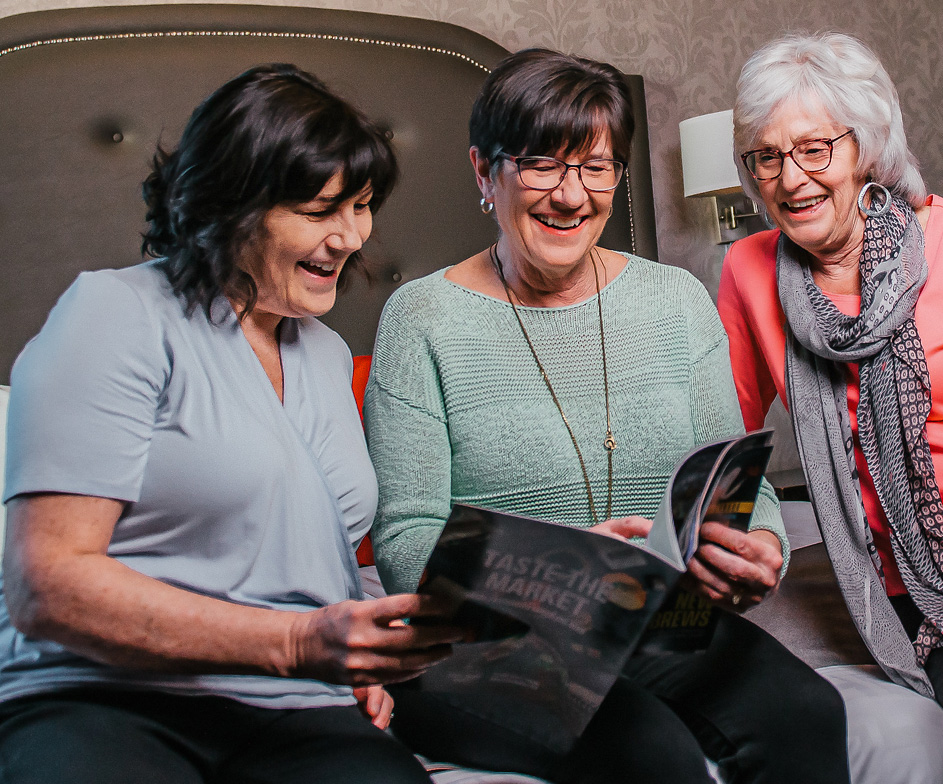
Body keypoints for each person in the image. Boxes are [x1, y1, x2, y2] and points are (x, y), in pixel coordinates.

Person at [365, 48, 850, 784]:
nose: (571, 195)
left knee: (810, 713)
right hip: (486, 643)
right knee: (651, 755)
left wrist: (756, 553)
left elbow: (739, 493)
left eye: (596, 167)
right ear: (482, 172)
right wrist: (560, 570)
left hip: (652, 616)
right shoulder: (422, 318)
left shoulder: (675, 300)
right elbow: (405, 543)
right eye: (541, 164)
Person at [0, 63, 460, 784]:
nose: (349, 238)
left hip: (298, 710)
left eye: (363, 205)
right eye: (318, 211)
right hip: (103, 696)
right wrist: (298, 641)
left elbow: (309, 559)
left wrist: (356, 653)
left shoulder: (327, 354)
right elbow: (46, 586)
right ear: (230, 206)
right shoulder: (114, 314)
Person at [718, 31, 943, 777]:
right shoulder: (748, 269)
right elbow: (723, 440)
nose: (790, 179)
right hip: (883, 580)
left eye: (815, 149)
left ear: (868, 147)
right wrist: (723, 542)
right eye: (766, 156)